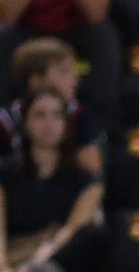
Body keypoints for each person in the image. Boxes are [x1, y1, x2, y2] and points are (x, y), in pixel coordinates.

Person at [0, 85, 104, 272]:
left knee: (91, 236)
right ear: (26, 123)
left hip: (56, 266)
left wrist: (31, 269)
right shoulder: (5, 176)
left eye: (57, 115)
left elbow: (72, 230)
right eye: (40, 115)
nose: (49, 123)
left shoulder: (85, 181)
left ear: (66, 124)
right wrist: (4, 271)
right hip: (8, 265)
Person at [0, 36, 99, 174]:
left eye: (74, 71)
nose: (75, 79)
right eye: (64, 72)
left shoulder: (79, 115)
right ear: (36, 80)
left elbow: (93, 175)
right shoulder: (5, 120)